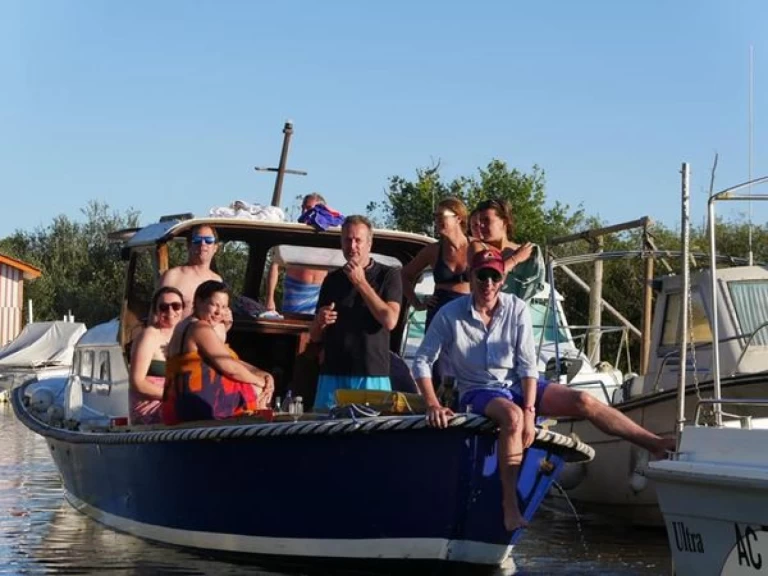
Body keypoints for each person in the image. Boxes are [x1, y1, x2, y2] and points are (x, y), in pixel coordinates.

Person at [412, 248, 674, 532]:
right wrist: (432, 404)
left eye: (494, 276)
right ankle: (509, 505)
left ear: (502, 280)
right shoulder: (449, 314)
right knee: (511, 417)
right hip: (478, 390)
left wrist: (530, 411)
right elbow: (423, 361)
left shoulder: (517, 308)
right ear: (472, 277)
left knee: (584, 399)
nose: (488, 283)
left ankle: (654, 443)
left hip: (518, 385)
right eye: (482, 275)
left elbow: (527, 364)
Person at [310, 215, 403, 409]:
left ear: (369, 244)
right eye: (347, 240)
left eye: (358, 240)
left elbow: (390, 320)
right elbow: (314, 336)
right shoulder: (332, 280)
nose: (352, 246)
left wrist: (361, 283)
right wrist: (319, 321)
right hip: (333, 373)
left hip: (371, 374)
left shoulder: (389, 275)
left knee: (370, 436)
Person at [163, 280, 273, 424]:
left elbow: (230, 361)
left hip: (179, 403)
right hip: (195, 404)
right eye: (214, 305)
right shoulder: (200, 328)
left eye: (224, 307)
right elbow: (230, 368)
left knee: (260, 382)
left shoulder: (186, 325)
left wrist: (264, 374)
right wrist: (260, 382)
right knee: (258, 389)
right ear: (199, 301)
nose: (218, 312)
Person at [401, 197, 471, 390]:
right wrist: (417, 303)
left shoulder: (475, 246)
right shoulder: (433, 250)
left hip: (468, 307)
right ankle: (438, 406)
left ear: (458, 218)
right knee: (439, 366)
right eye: (435, 216)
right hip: (440, 307)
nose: (437, 220)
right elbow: (404, 276)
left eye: (442, 215)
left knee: (469, 360)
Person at [468, 198, 544, 301]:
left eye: (486, 220)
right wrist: (515, 259)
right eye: (480, 221)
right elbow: (480, 283)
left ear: (504, 222)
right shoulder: (478, 248)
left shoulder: (526, 250)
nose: (481, 225)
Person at [129, 287, 185, 425]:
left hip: (177, 402)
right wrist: (172, 396)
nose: (170, 311)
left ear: (183, 309)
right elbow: (137, 382)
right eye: (164, 307)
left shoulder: (184, 337)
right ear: (156, 310)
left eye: (176, 306)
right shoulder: (149, 336)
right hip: (149, 406)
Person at [265, 193, 329, 314]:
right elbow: (275, 265)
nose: (304, 211)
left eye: (309, 208)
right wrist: (270, 299)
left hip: (320, 300)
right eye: (303, 207)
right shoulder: (293, 235)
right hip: (294, 298)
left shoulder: (329, 237)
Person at [158, 224, 223, 317]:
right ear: (189, 245)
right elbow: (156, 317)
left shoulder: (217, 281)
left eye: (208, 240)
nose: (203, 244)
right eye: (197, 240)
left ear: (215, 247)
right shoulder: (173, 276)